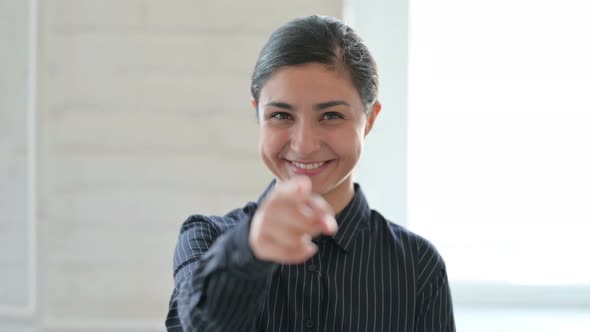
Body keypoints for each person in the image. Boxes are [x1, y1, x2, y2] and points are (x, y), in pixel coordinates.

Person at [165, 15, 455, 332]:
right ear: (258, 116)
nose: (304, 146)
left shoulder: (418, 265)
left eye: (331, 115)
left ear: (369, 120)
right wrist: (250, 251)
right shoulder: (204, 239)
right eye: (281, 115)